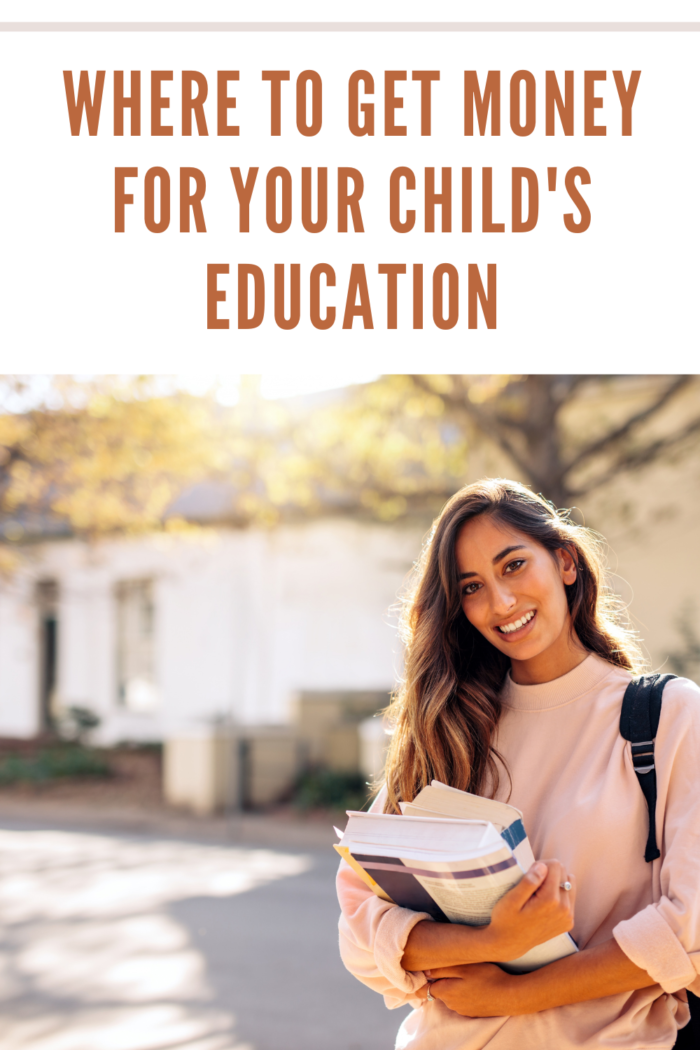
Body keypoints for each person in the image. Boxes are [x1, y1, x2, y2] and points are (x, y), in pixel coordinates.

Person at [336, 478, 700, 1049]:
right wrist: (495, 941)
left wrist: (511, 995)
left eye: (513, 566)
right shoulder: (449, 730)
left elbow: (690, 932)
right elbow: (361, 929)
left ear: (565, 562)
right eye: (473, 586)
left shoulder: (666, 716)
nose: (501, 603)